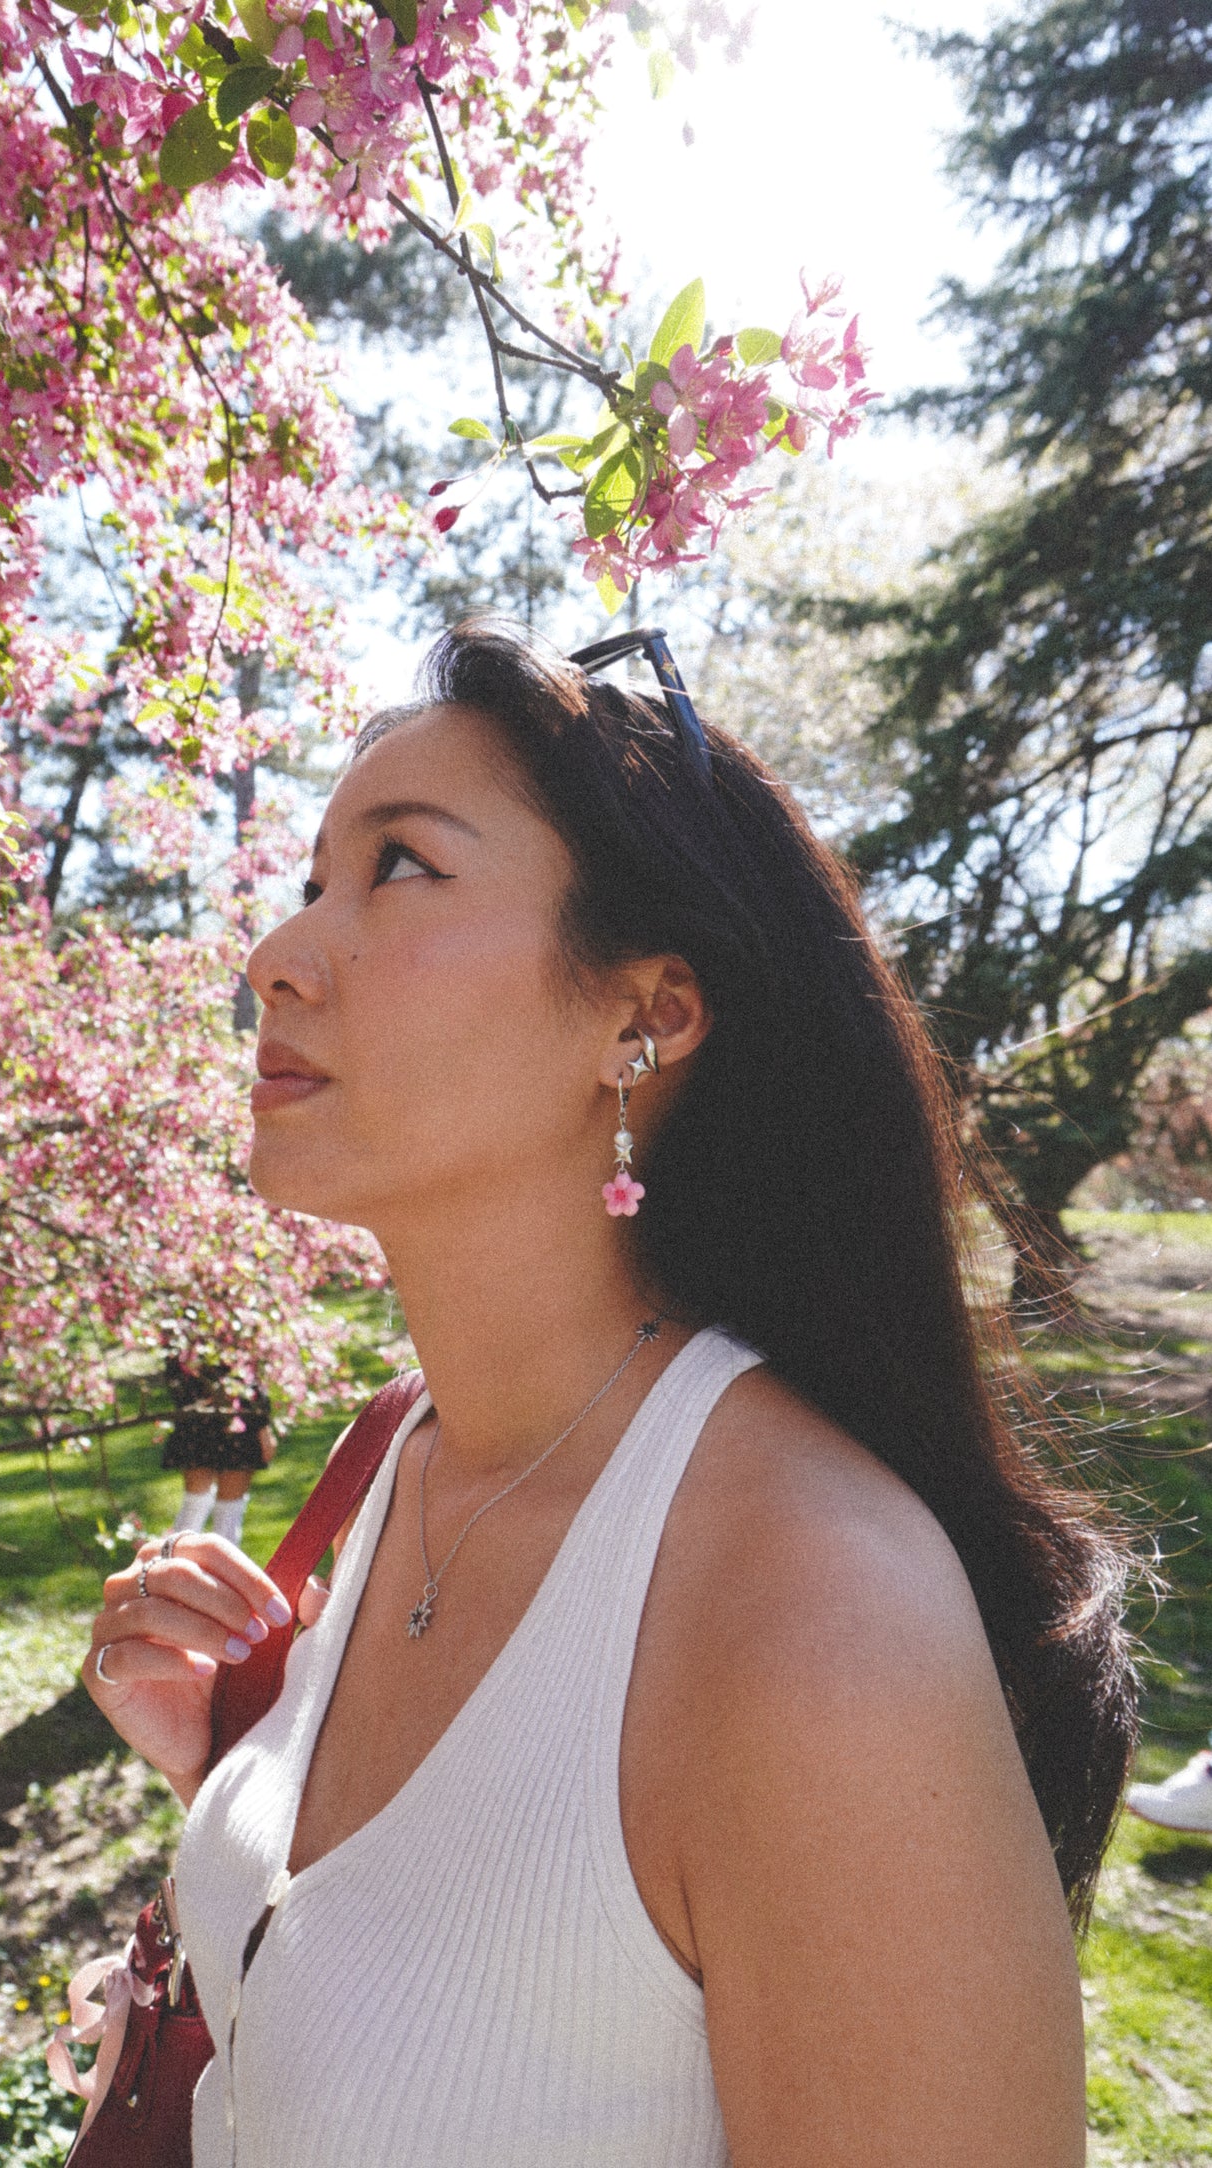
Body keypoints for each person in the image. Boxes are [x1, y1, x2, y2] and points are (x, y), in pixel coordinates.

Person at [85, 620, 1138, 2168]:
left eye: (400, 869)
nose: (274, 956)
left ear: (644, 1015)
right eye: (313, 879)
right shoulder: (408, 1451)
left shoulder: (814, 1619)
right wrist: (244, 1759)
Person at [160, 1352, 276, 1549]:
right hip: (198, 1416)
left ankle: (220, 1576)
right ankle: (169, 1571)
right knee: (195, 1503)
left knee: (228, 1514)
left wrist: (261, 1425)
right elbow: (175, 1370)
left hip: (239, 1416)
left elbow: (252, 1367)